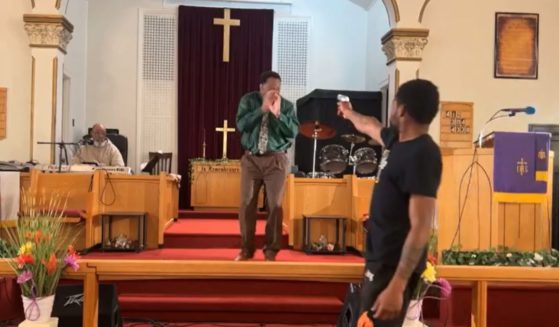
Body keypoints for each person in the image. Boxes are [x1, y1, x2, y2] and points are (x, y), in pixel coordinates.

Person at [338, 79, 442, 327]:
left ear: (402, 110)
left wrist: (398, 285)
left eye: (394, 104)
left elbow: (421, 226)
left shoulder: (423, 154)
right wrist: (349, 112)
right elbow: (370, 125)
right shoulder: (398, 141)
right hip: (379, 262)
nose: (391, 110)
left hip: (392, 269)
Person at [235, 71, 299, 262]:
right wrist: (262, 109)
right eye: (271, 88)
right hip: (252, 160)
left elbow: (293, 132)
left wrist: (277, 114)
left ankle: (271, 249)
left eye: (278, 88)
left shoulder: (286, 105)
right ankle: (246, 249)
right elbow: (242, 125)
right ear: (261, 87)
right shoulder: (248, 101)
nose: (275, 92)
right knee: (247, 204)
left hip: (276, 161)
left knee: (275, 205)